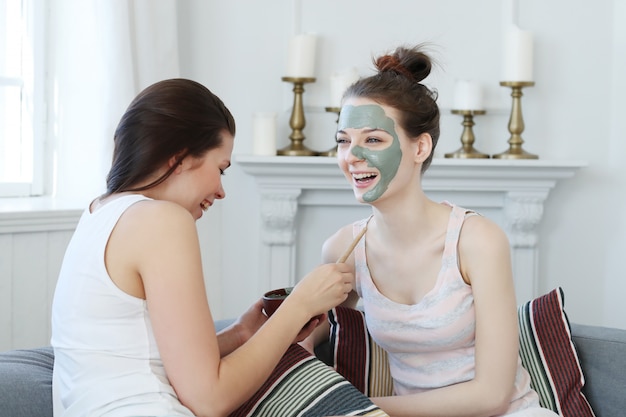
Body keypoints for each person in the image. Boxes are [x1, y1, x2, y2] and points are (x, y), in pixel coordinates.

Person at [50, 78, 354, 417]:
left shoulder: (98, 214)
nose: (221, 191)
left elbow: (140, 357)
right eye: (220, 169)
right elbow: (210, 400)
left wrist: (241, 333)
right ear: (180, 158)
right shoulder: (161, 220)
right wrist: (297, 306)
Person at [308, 45, 559, 416]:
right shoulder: (344, 249)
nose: (351, 156)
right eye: (343, 140)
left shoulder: (477, 240)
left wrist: (357, 409)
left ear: (420, 147)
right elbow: (304, 336)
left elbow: (491, 396)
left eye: (373, 139)